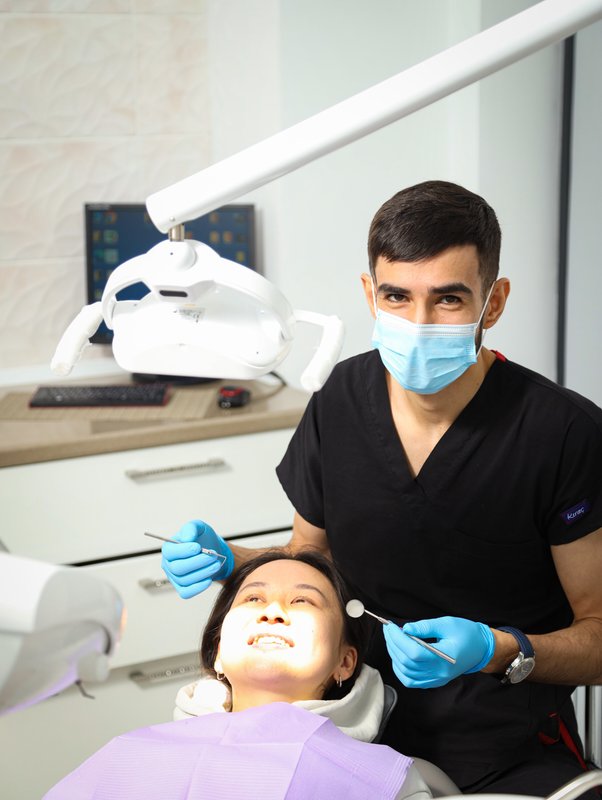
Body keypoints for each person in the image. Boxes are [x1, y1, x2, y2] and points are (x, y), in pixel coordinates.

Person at [161, 180, 602, 796]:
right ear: (370, 293)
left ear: (494, 302)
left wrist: (498, 649)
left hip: (507, 750)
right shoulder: (340, 399)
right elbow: (311, 560)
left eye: (448, 300)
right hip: (347, 731)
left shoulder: (563, 432)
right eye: (397, 296)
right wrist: (229, 562)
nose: (418, 323)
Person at [44, 550, 434, 800]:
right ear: (217, 653)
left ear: (344, 663)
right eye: (253, 598)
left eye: (303, 601)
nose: (273, 612)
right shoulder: (128, 753)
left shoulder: (386, 779)